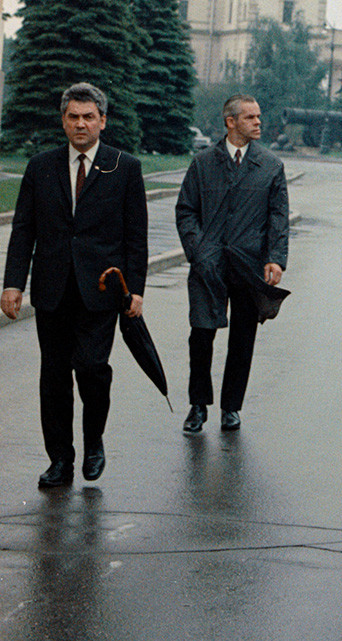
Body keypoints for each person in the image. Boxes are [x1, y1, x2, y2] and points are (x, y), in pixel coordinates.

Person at [1, 82, 148, 488]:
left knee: (92, 368)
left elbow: (136, 235)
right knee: (53, 376)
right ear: (63, 121)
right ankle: (60, 460)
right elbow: (24, 229)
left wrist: (136, 289)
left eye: (88, 117)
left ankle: (94, 440)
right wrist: (13, 283)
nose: (80, 124)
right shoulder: (41, 166)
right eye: (73, 117)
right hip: (52, 290)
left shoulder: (125, 167)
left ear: (103, 121)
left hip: (101, 291)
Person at [176, 94, 289, 434]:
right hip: (208, 264)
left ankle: (231, 408)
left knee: (243, 338)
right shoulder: (203, 162)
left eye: (259, 116)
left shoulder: (270, 165)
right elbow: (186, 211)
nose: (258, 122)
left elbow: (278, 218)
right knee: (201, 333)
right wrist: (199, 251)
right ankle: (198, 405)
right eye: (251, 117)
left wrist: (275, 259)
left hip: (248, 263)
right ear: (231, 122)